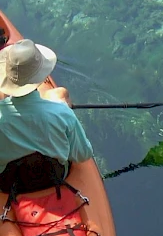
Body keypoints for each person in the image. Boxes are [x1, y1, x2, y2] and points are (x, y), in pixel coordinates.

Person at [0, 39, 93, 192]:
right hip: (55, 177)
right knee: (60, 93)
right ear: (41, 76)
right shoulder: (63, 113)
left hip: (8, 184)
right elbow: (83, 154)